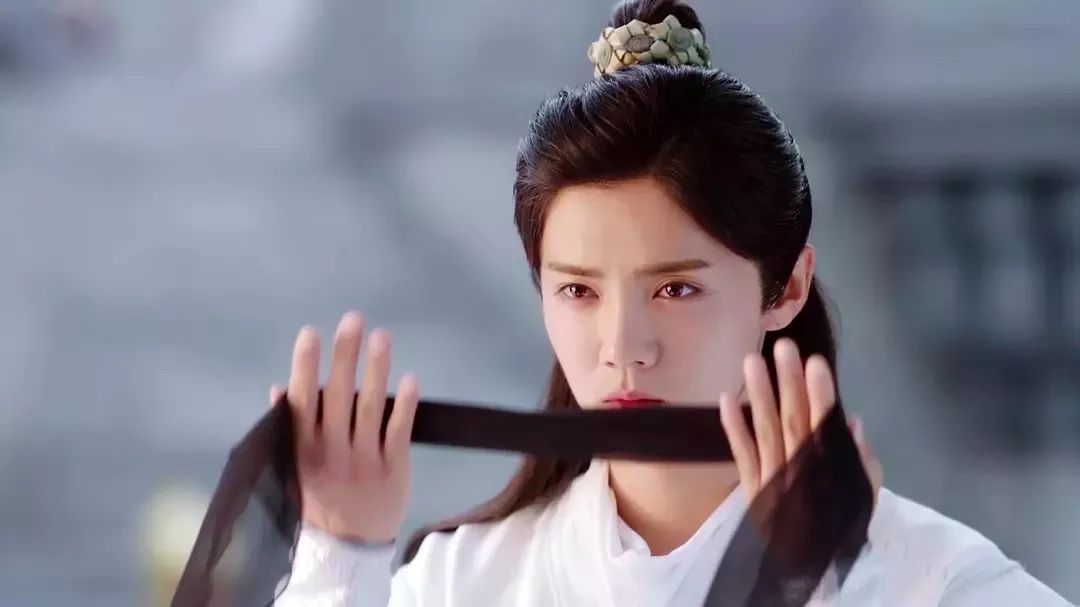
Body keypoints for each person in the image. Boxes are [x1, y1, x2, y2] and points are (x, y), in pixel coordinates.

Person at [270, 1, 1073, 604]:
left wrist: (828, 583)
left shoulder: (935, 580)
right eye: (578, 290)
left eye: (676, 288)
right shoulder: (462, 581)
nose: (624, 344)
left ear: (786, 287)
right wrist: (341, 555)